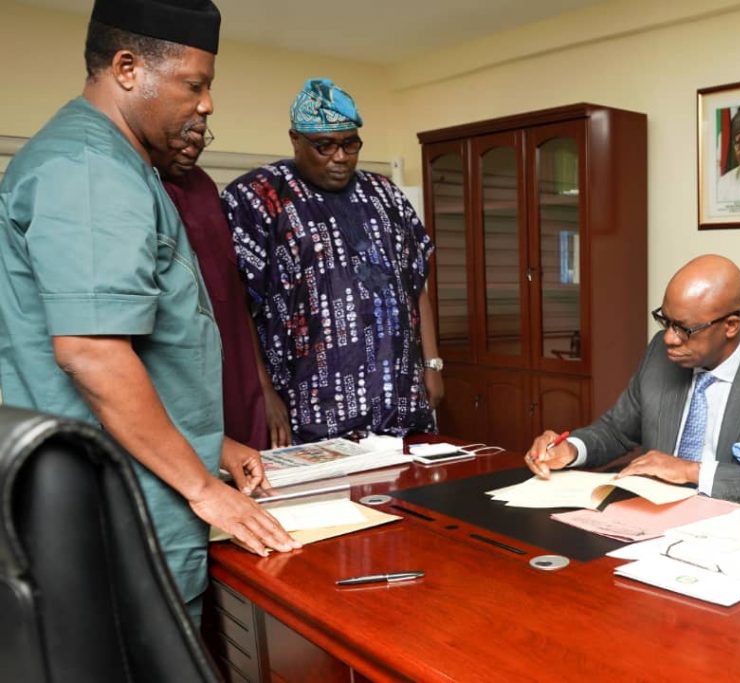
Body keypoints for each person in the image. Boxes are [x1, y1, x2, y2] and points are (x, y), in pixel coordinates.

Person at [0, 0, 299, 623]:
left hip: (120, 501)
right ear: (127, 68)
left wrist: (212, 445)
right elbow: (92, 354)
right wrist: (203, 487)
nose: (207, 105)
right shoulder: (91, 170)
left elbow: (147, 351)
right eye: (195, 84)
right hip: (117, 520)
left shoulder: (108, 161)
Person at [526, 254, 740, 520]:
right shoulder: (660, 353)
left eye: (684, 329)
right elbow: (618, 430)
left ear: (730, 326)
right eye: (665, 321)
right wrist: (572, 449)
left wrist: (692, 471)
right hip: (650, 515)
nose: (669, 338)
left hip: (729, 529)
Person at [222, 78, 443, 444]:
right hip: (309, 409)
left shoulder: (385, 193)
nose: (340, 157)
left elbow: (415, 282)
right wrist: (262, 390)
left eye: (350, 144)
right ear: (295, 140)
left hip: (399, 398)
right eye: (324, 146)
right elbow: (237, 304)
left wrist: (432, 364)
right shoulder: (257, 197)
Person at [158, 130, 292, 449]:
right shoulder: (143, 189)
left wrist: (264, 388)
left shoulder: (203, 185)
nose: (192, 147)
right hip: (185, 368)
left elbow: (235, 293)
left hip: (237, 364)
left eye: (200, 136)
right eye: (182, 136)